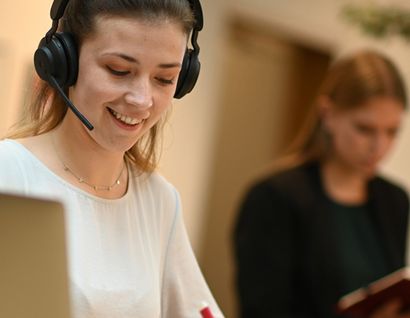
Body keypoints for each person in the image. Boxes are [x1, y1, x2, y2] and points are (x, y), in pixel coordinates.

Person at [0, 0, 224, 317]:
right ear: (65, 63)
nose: (142, 100)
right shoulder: (7, 174)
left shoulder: (158, 201)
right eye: (119, 71)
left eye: (164, 79)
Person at [233, 50, 410, 318]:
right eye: (365, 129)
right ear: (327, 114)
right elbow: (261, 310)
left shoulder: (394, 200)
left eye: (391, 131)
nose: (379, 147)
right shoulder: (274, 197)